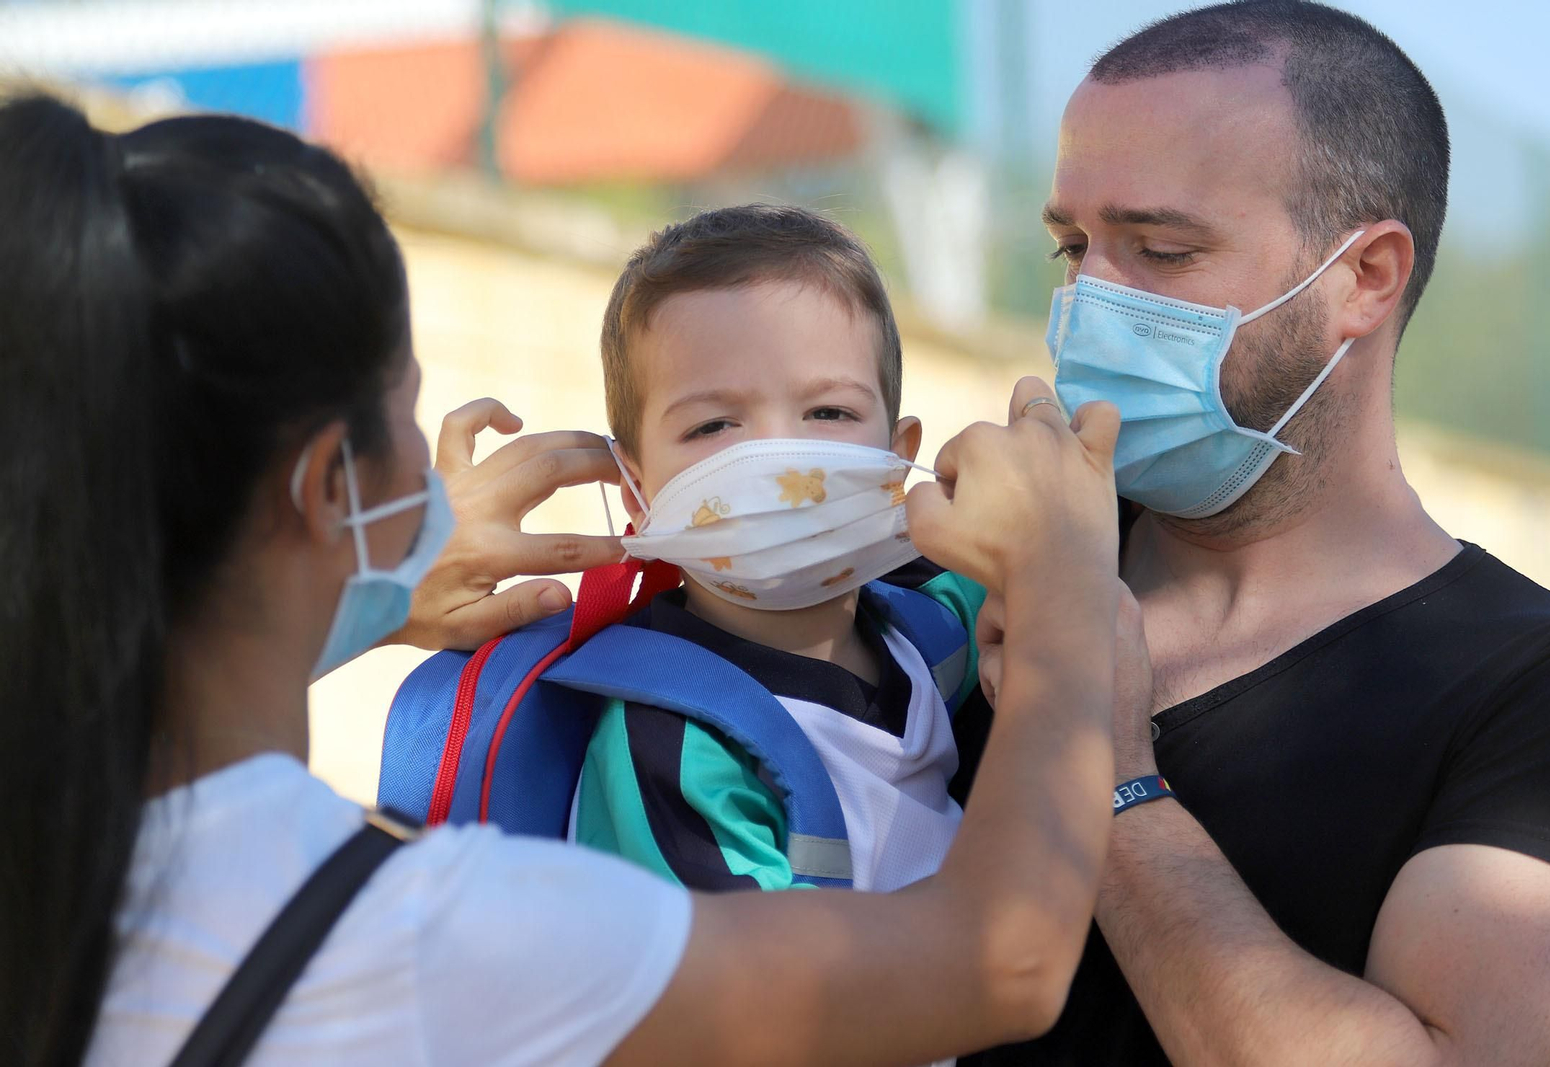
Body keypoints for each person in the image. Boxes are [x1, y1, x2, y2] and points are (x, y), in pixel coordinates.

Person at [0, 94, 1129, 1067]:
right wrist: (1070, 586)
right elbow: (1003, 960)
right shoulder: (441, 933)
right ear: (327, 488)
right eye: (407, 411)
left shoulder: (55, 839)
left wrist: (376, 591)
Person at [967, 2, 1550, 1064]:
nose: (1086, 303)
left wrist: (1107, 761)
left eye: (1162, 249)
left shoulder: (1544, 696)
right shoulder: (969, 588)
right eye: (1073, 246)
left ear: (1364, 277)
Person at [385, 204, 991, 901]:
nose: (775, 456)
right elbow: (776, 999)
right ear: (637, 491)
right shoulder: (672, 744)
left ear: (898, 456)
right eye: (713, 425)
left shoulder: (930, 624)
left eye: (828, 413)